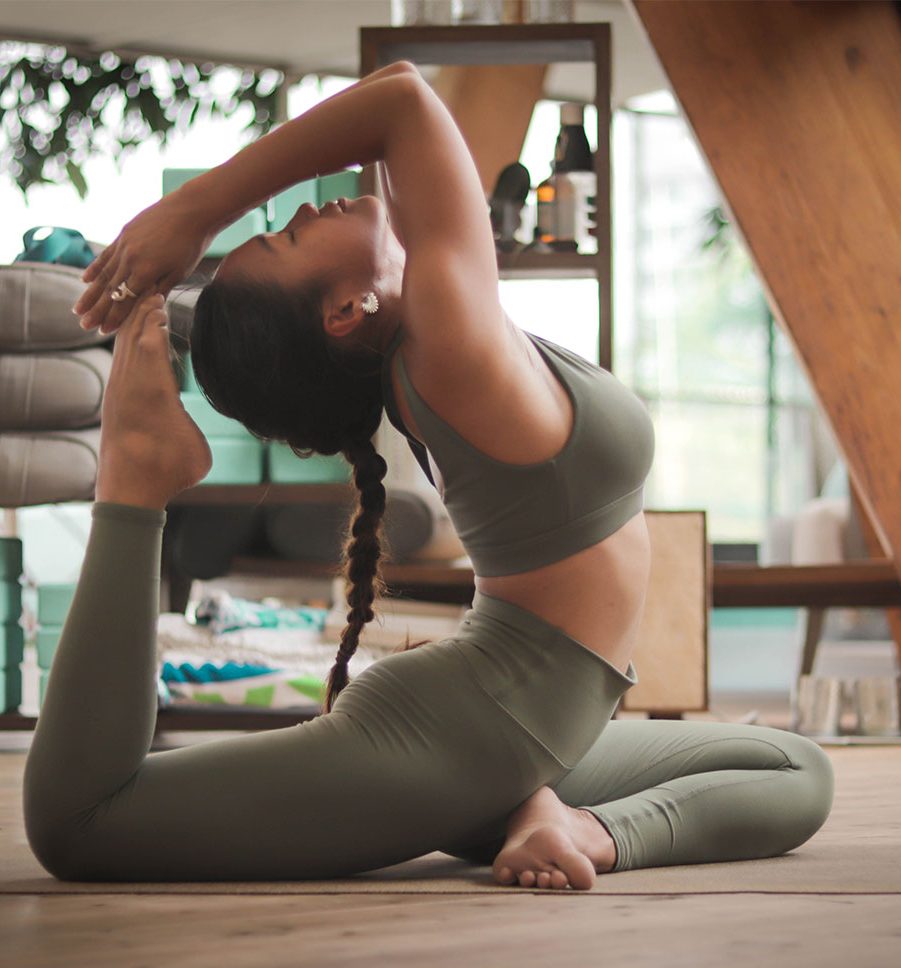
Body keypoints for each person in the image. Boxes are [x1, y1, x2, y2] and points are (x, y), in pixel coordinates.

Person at [23, 62, 833, 889]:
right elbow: (404, 98)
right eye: (290, 239)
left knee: (795, 768)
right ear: (345, 313)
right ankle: (134, 472)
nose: (305, 207)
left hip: (516, 730)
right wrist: (193, 213)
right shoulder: (449, 349)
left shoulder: (430, 342)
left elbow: (397, 138)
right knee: (81, 824)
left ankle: (558, 820)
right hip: (460, 732)